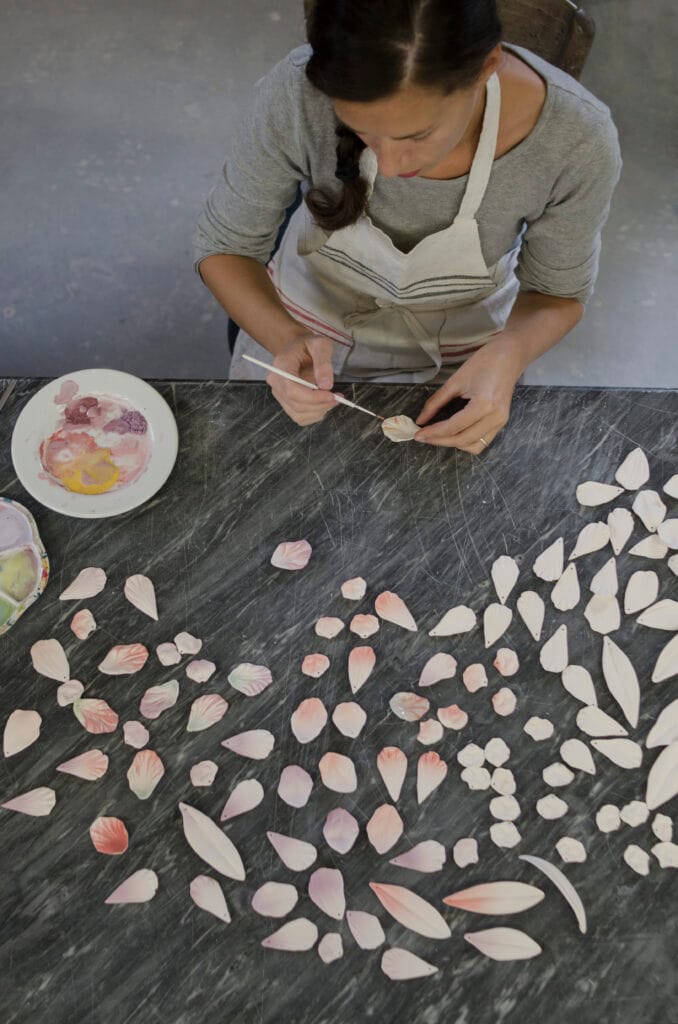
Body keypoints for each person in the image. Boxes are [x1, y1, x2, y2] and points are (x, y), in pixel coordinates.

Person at [193, 0, 622, 453]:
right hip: (304, 321)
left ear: (486, 66)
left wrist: (509, 353)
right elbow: (227, 246)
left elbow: (557, 293)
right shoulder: (296, 93)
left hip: (465, 358)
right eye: (363, 131)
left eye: (417, 135)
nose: (393, 167)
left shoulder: (575, 139)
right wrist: (286, 339)